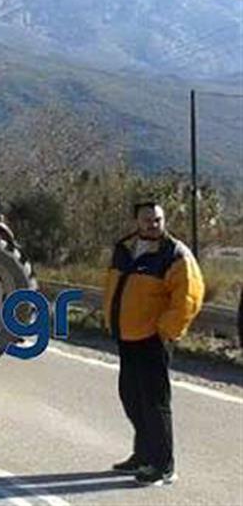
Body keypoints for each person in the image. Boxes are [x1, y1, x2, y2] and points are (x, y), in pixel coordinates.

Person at [104, 201, 204, 487]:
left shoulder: (174, 254)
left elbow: (189, 297)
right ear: (136, 221)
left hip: (152, 339)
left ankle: (163, 466)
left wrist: (166, 331)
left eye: (158, 219)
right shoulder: (124, 248)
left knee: (155, 403)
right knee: (131, 396)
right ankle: (143, 454)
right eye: (147, 219)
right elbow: (113, 286)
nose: (153, 224)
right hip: (126, 336)